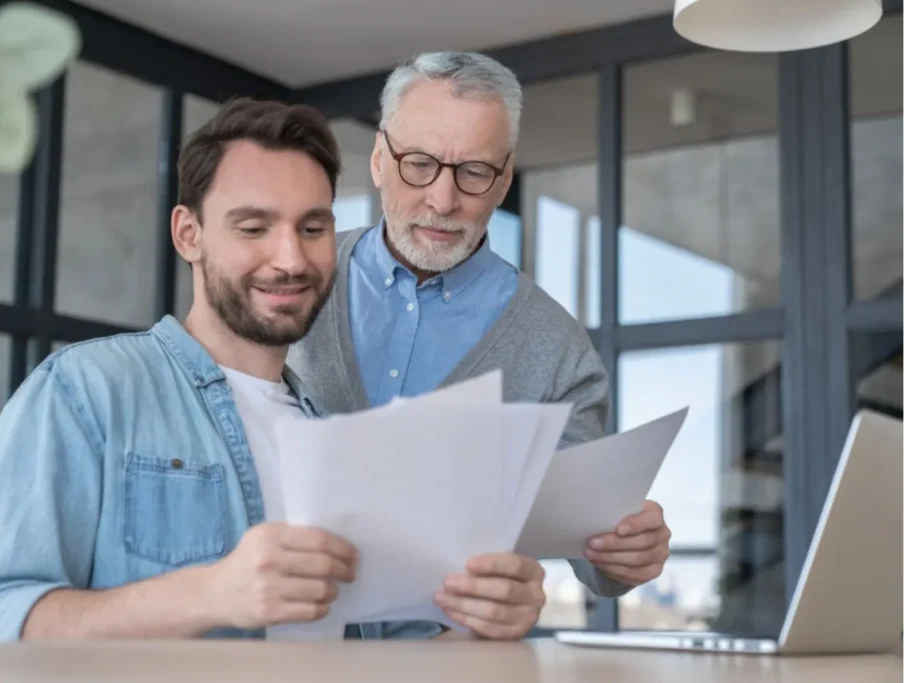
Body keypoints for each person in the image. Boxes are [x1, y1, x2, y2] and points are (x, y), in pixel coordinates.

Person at [0, 98, 440, 641]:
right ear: (189, 235)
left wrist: (481, 625)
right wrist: (208, 594)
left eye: (312, 228)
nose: (291, 259)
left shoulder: (337, 438)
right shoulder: (85, 390)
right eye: (253, 228)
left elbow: (394, 650)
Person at [287, 51, 673, 637]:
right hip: (276, 651)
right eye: (419, 164)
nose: (443, 200)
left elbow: (592, 551)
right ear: (377, 160)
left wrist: (625, 553)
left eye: (473, 172)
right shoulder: (291, 275)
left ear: (506, 177)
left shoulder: (556, 348)